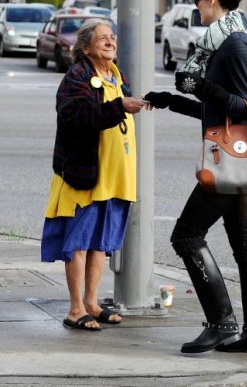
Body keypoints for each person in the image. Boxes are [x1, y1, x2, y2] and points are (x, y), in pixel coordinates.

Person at [144, 0, 247, 354]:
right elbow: (221, 114)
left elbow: (245, 108)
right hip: (241, 160)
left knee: (186, 235)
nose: (196, 5)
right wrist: (173, 101)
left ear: (211, 1)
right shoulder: (228, 41)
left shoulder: (233, 45)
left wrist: (202, 86)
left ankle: (221, 324)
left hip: (230, 163)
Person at [41, 18, 145, 331]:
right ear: (86, 47)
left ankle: (92, 303)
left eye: (112, 37)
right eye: (103, 38)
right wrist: (120, 106)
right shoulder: (77, 76)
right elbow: (77, 115)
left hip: (116, 176)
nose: (111, 42)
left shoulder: (115, 74)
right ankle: (75, 309)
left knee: (101, 243)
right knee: (80, 243)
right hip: (85, 175)